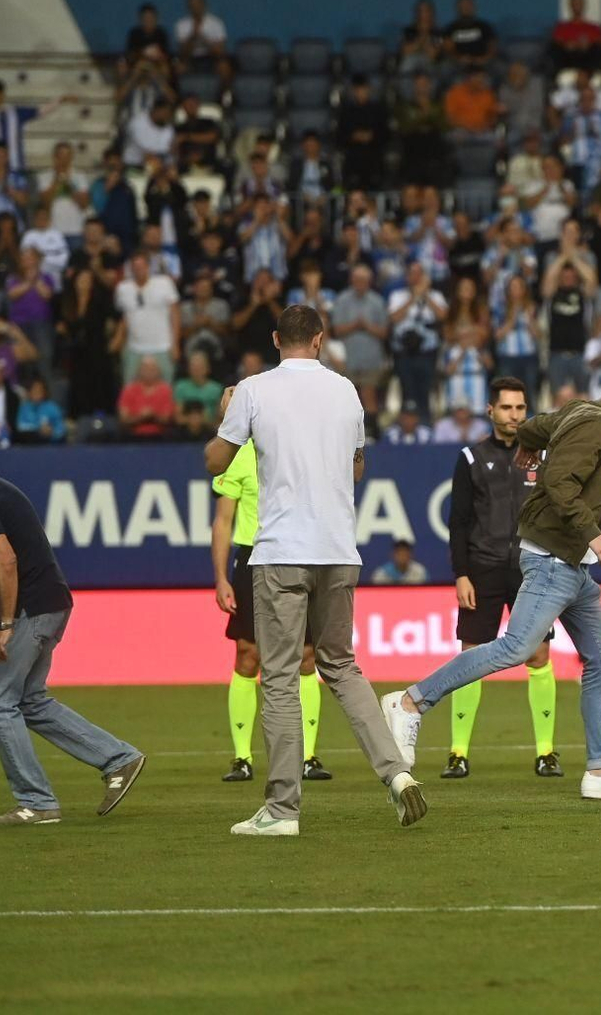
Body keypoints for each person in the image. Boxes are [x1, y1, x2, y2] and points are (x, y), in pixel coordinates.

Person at [383, 366, 601, 803]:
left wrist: (528, 446)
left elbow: (533, 425)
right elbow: (557, 481)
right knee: (514, 648)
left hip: (571, 567)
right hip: (554, 560)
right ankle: (410, 703)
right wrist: (593, 531)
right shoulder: (598, 424)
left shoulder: (579, 409)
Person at [206, 305, 426, 836]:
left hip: (282, 550)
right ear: (322, 340)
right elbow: (356, 467)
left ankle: (282, 811)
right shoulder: (347, 391)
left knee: (279, 679)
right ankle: (397, 774)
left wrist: (227, 417)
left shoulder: (253, 390)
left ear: (277, 339)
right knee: (341, 667)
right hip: (338, 549)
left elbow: (217, 461)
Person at [0, 422, 145, 826]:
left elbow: (5, 560)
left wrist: (6, 623)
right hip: (49, 602)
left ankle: (37, 801)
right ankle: (119, 759)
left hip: (29, 608)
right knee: (29, 701)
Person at [442, 378, 562, 780]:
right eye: (507, 408)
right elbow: (457, 523)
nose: (515, 416)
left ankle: (546, 752)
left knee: (539, 656)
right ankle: (458, 753)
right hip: (483, 568)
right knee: (471, 656)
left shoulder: (543, 457)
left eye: (521, 408)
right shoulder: (471, 458)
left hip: (531, 569)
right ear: (490, 411)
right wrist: (461, 574)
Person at [211, 438, 333, 785]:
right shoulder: (239, 454)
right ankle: (241, 757)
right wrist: (221, 577)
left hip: (299, 553)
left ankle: (308, 756)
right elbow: (223, 521)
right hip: (251, 558)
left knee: (308, 656)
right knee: (248, 655)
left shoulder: (303, 448)